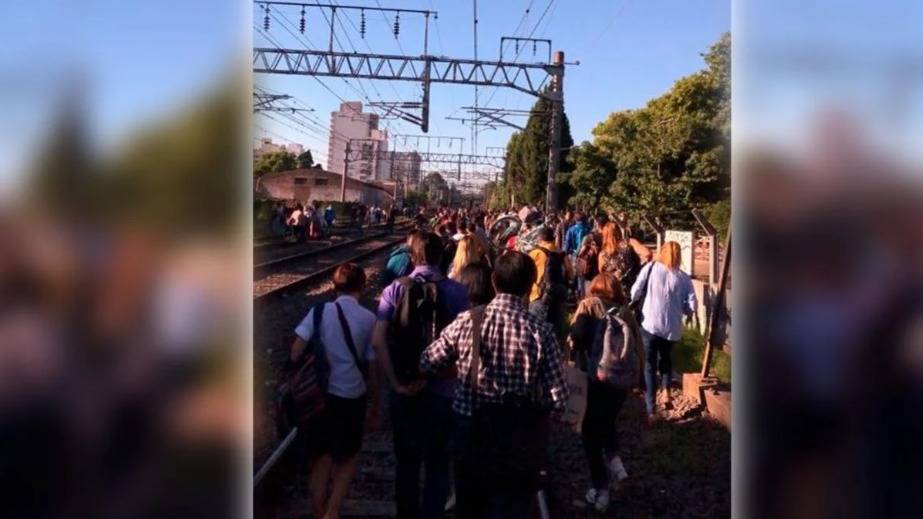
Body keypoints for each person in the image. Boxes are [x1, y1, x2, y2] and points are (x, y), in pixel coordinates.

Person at [420, 251, 569, 519]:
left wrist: (462, 370)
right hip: (518, 438)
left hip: (470, 431)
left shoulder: (468, 321)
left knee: (469, 506)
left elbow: (428, 362)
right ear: (529, 284)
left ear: (494, 281)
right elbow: (558, 398)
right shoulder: (540, 331)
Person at [372, 232, 469, 519]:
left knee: (407, 465)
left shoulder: (394, 290)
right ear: (442, 257)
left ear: (413, 257)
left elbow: (378, 341)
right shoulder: (458, 292)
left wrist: (395, 383)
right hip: (443, 393)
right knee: (438, 464)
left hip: (404, 390)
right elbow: (465, 345)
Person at [289, 263, 381, 519]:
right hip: (352, 395)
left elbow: (296, 351)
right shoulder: (368, 319)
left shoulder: (318, 312)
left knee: (321, 455)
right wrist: (376, 402)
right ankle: (332, 511)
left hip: (318, 397)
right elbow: (372, 366)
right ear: (361, 287)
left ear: (334, 287)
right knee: (348, 456)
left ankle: (320, 511)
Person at [568, 273, 643, 513]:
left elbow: (575, 338)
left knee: (590, 434)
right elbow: (638, 346)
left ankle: (601, 489)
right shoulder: (626, 312)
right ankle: (617, 464)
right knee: (607, 421)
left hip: (594, 379)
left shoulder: (588, 306)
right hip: (619, 382)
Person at [630, 241, 697, 417]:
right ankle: (666, 391)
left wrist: (634, 301)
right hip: (671, 328)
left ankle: (651, 408)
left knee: (650, 366)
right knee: (666, 359)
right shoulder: (684, 278)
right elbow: (691, 305)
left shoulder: (651, 267)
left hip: (650, 324)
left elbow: (635, 290)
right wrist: (686, 311)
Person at [528, 226, 574, 335]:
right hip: (559, 296)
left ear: (540, 238)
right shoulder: (561, 254)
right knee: (556, 332)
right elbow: (571, 275)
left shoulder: (535, 253)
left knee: (536, 332)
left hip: (538, 295)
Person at [599, 222, 653, 299]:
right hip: (632, 288)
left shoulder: (602, 254)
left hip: (613, 292)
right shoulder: (629, 243)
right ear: (619, 232)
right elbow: (647, 253)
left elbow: (602, 273)